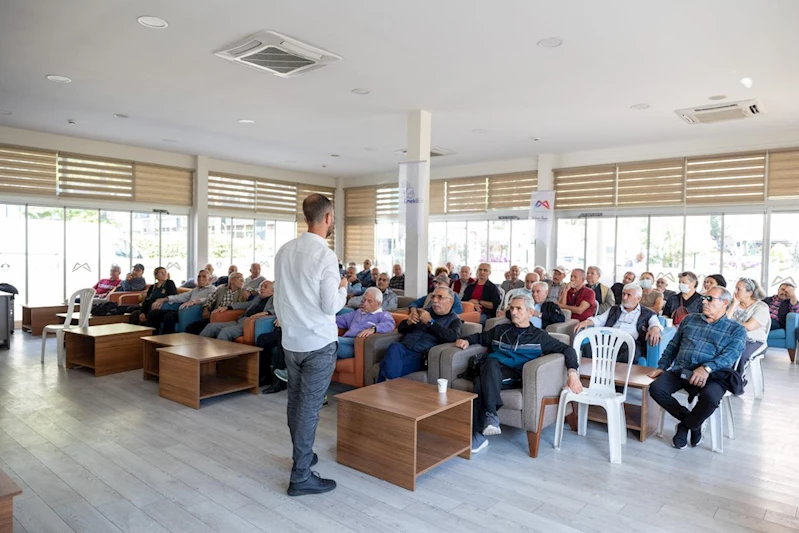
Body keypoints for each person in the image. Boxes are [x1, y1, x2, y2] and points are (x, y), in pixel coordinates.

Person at [274, 193, 348, 496]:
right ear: (328, 218)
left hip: (291, 341)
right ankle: (301, 475)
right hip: (317, 341)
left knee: (296, 403)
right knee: (310, 409)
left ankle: (301, 456)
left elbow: (279, 298)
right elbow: (331, 306)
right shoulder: (325, 256)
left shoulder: (284, 250)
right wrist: (343, 288)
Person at [457, 294, 583, 453]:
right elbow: (480, 337)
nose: (514, 312)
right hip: (493, 371)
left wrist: (572, 373)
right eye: (512, 308)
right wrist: (467, 340)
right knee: (487, 367)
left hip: (516, 375)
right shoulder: (501, 330)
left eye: (518, 309)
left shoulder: (539, 336)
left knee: (482, 378)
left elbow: (568, 350)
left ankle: (480, 431)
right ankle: (489, 420)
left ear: (530, 312)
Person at [648, 286, 746, 449]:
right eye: (704, 298)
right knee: (656, 388)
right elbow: (673, 346)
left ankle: (685, 426)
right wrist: (662, 366)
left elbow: (731, 355)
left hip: (713, 375)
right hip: (683, 370)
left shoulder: (736, 329)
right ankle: (692, 421)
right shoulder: (690, 319)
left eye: (710, 299)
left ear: (725, 303)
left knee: (710, 398)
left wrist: (706, 368)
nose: (704, 302)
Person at [574, 282, 662, 363]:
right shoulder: (614, 309)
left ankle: (616, 377)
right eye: (623, 294)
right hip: (609, 339)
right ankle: (590, 376)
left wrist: (655, 329)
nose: (624, 298)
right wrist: (587, 322)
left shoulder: (647, 313)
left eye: (628, 295)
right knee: (588, 348)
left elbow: (655, 324)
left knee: (629, 353)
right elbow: (600, 319)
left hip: (630, 342)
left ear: (638, 298)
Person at [200, 280, 275, 341]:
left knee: (225, 332)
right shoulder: (258, 297)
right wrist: (228, 307)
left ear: (273, 291)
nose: (262, 288)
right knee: (211, 327)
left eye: (265, 287)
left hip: (250, 324)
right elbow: (246, 304)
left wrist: (266, 312)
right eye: (261, 286)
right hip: (240, 321)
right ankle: (199, 349)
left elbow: (278, 310)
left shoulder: (274, 299)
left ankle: (219, 358)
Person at [147, 269, 217, 334]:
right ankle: (153, 337)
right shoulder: (195, 289)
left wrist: (194, 302)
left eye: (204, 277)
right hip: (183, 309)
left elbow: (208, 299)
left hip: (191, 312)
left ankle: (166, 339)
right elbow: (182, 297)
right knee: (154, 313)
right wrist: (165, 299)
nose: (200, 278)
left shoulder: (212, 289)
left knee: (169, 316)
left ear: (210, 280)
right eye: (199, 276)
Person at [335, 288, 396, 359]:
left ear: (378, 303)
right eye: (364, 300)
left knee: (330, 341)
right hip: (346, 341)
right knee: (327, 342)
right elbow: (341, 319)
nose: (365, 304)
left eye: (369, 301)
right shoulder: (359, 312)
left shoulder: (383, 314)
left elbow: (389, 324)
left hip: (357, 345)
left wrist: (373, 329)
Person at [727, 278, 769, 372]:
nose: (735, 292)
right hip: (733, 339)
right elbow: (723, 321)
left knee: (740, 356)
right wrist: (734, 305)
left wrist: (729, 324)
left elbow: (749, 327)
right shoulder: (732, 304)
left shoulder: (761, 307)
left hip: (753, 341)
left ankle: (737, 381)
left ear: (749, 293)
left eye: (739, 289)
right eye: (735, 288)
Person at [501, 281, 566, 329]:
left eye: (538, 291)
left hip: (538, 333)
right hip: (520, 329)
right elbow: (508, 313)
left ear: (546, 292)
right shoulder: (526, 303)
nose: (534, 294)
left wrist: (539, 315)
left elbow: (560, 318)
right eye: (533, 292)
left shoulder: (550, 306)